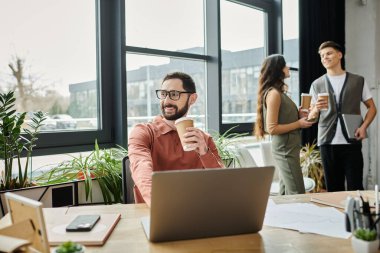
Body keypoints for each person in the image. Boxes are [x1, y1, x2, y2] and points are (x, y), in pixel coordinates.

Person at [128, 72, 223, 206]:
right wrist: (160, 206)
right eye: (163, 94)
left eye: (174, 94)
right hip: (156, 211)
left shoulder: (204, 140)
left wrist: (205, 153)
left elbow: (222, 184)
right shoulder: (143, 132)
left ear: (192, 98)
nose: (166, 101)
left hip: (197, 212)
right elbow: (142, 169)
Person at [308, 41, 377, 192]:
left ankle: (356, 216)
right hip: (327, 143)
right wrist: (315, 110)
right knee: (333, 189)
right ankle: (336, 216)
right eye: (322, 56)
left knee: (356, 187)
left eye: (329, 53)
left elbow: (372, 108)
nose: (325, 58)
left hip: (352, 141)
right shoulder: (317, 84)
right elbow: (312, 117)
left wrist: (363, 127)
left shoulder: (358, 81)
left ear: (340, 55)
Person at [254, 54, 314, 195]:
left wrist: (297, 114)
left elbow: (282, 119)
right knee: (297, 193)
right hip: (285, 150)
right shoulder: (274, 94)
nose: (288, 68)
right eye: (285, 65)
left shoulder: (279, 93)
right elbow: (272, 128)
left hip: (288, 148)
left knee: (285, 192)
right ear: (278, 69)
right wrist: (299, 123)